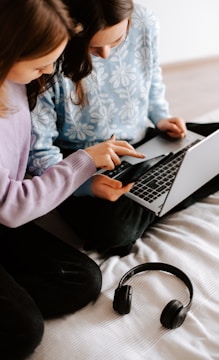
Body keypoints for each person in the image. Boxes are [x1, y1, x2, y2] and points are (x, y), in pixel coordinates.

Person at [28, 0, 219, 257]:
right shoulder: (45, 57)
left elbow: (151, 77)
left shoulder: (144, 21)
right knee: (113, 232)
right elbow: (39, 154)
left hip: (144, 142)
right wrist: (89, 185)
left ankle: (158, 194)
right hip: (83, 166)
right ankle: (170, 188)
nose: (105, 54)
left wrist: (161, 117)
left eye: (116, 42)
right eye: (93, 46)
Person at [0, 1, 145, 359]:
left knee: (84, 280)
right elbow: (14, 208)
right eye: (41, 64)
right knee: (25, 332)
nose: (51, 71)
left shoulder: (16, 83)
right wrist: (83, 162)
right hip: (8, 212)